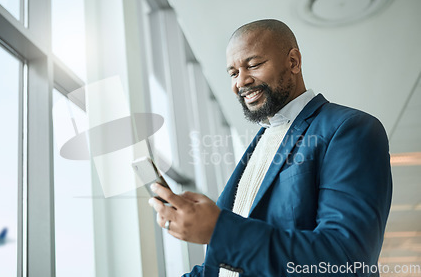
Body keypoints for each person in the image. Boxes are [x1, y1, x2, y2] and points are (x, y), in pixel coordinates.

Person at [148, 19, 392, 277]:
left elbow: (346, 258)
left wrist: (219, 230)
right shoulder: (262, 141)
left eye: (253, 65)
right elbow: (220, 270)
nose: (240, 82)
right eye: (233, 73)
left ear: (293, 62)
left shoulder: (350, 129)